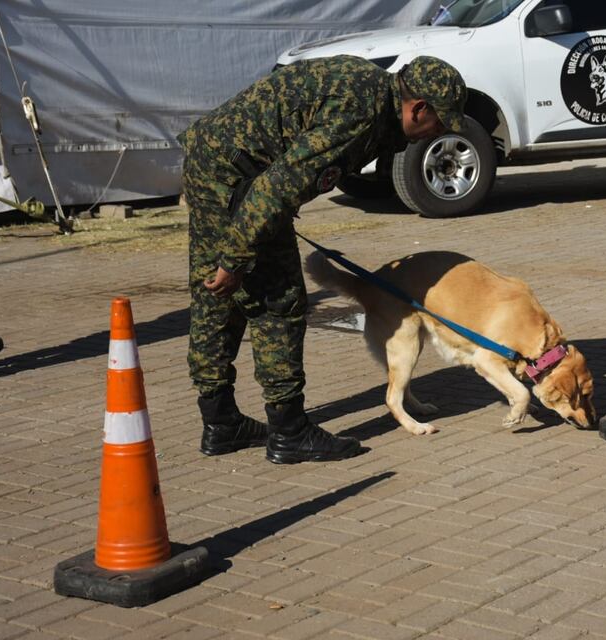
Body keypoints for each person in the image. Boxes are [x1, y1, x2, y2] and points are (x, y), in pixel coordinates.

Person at [178, 55, 467, 463]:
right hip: (239, 181)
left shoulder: (371, 91)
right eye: (438, 122)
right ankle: (289, 431)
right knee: (277, 302)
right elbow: (275, 189)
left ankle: (221, 422)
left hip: (216, 163)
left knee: (217, 294)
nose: (436, 133)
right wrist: (236, 256)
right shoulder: (359, 113)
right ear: (418, 107)